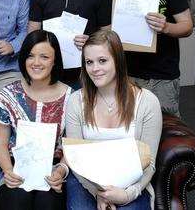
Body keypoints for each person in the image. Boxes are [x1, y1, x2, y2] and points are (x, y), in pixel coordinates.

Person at [65, 30, 162, 210]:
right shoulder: (75, 101)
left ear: (117, 60)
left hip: (132, 183)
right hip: (86, 181)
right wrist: (98, 193)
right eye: (89, 62)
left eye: (102, 60)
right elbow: (74, 158)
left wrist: (127, 194)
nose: (95, 69)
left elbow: (150, 163)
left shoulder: (147, 102)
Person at [105, 0, 193, 117]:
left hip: (161, 76)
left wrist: (166, 27)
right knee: (131, 127)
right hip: (129, 74)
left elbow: (187, 26)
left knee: (165, 129)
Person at [0, 30, 72, 210]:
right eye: (30, 56)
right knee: (17, 201)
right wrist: (8, 171)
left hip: (52, 170)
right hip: (15, 167)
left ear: (55, 60)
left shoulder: (70, 98)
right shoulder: (9, 94)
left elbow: (72, 146)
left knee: (47, 203)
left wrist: (60, 171)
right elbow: (0, 144)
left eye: (44, 57)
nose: (36, 63)